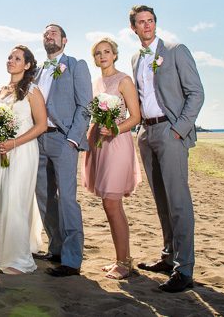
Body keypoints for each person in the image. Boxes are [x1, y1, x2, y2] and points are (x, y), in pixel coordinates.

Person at [129, 5, 204, 293]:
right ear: (133, 28)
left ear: (155, 24)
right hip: (146, 133)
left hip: (170, 132)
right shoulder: (136, 57)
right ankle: (168, 256)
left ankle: (184, 269)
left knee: (178, 202)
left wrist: (178, 129)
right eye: (141, 22)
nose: (147, 26)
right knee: (162, 201)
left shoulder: (175, 50)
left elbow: (196, 93)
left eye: (150, 21)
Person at [0, 46, 47, 274]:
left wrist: (14, 143)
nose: (11, 61)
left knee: (15, 199)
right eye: (9, 57)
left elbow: (41, 125)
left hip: (21, 151)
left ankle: (16, 257)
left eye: (17, 58)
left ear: (27, 65)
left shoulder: (32, 90)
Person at [33, 24, 92, 277]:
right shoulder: (36, 71)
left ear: (65, 40)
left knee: (67, 199)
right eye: (46, 33)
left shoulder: (76, 65)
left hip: (63, 139)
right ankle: (55, 248)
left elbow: (85, 105)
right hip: (37, 141)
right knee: (44, 196)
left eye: (54, 32)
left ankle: (71, 259)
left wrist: (73, 139)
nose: (49, 36)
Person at [82, 37, 142, 280]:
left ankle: (125, 262)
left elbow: (135, 117)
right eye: (98, 53)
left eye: (107, 52)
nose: (102, 56)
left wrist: (116, 129)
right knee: (108, 203)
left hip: (117, 144)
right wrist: (87, 141)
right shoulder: (97, 83)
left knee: (112, 202)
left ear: (115, 55)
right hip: (99, 145)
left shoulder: (124, 80)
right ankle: (121, 258)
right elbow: (95, 117)